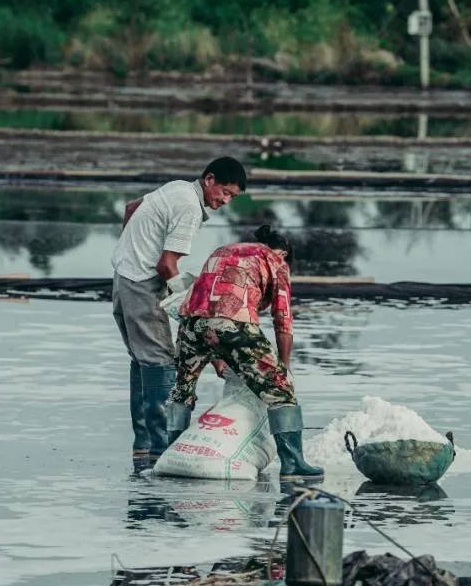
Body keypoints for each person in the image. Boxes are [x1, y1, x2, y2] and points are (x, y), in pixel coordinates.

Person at [112, 157, 247, 464]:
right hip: (142, 282)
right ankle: (161, 448)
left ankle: (144, 445)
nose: (225, 201)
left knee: (143, 360)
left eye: (232, 198)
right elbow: (166, 265)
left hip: (123, 277)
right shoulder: (190, 208)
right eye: (225, 192)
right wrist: (190, 308)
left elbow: (132, 208)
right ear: (209, 179)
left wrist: (132, 248)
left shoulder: (177, 189)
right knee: (160, 362)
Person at [164, 225, 324, 481]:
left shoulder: (222, 251)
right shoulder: (276, 261)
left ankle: (169, 453)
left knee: (181, 391)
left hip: (191, 324)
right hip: (233, 323)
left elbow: (208, 308)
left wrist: (217, 359)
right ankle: (293, 464)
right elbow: (282, 320)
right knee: (281, 391)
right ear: (283, 253)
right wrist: (283, 371)